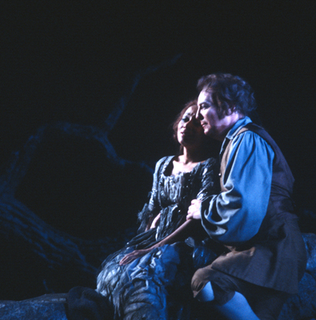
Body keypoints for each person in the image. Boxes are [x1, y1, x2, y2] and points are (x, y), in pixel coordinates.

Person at [186, 73, 307, 320]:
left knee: (207, 281)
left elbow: (243, 207)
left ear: (230, 106)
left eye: (204, 106)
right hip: (272, 247)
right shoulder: (237, 140)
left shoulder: (247, 139)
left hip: (274, 248)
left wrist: (203, 209)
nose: (198, 116)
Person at [93, 100, 223, 320]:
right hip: (154, 238)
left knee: (145, 279)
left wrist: (155, 247)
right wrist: (147, 232)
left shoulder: (208, 165)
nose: (187, 126)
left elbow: (196, 218)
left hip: (184, 244)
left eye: (196, 123)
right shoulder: (163, 164)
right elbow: (152, 207)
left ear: (206, 132)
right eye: (184, 119)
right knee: (113, 272)